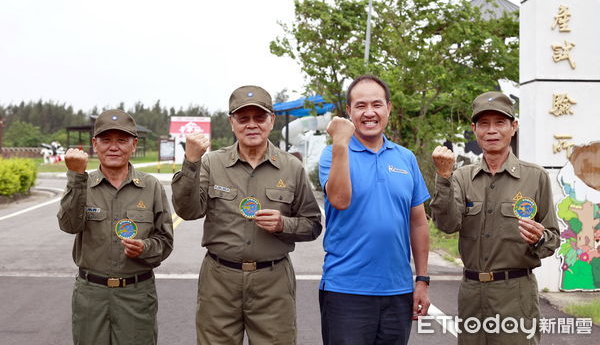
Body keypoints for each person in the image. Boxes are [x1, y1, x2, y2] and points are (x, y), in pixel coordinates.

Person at [171, 85, 322, 345]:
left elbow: (313, 225)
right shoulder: (212, 163)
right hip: (219, 279)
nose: (252, 124)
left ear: (271, 121)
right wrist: (191, 162)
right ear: (232, 123)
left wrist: (282, 224)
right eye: (243, 118)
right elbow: (188, 210)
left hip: (272, 281)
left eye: (259, 117)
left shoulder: (292, 168)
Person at [430, 91, 560, 344]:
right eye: (484, 124)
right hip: (471, 293)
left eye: (500, 123)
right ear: (474, 129)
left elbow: (552, 239)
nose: (492, 130)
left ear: (513, 127)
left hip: (516, 293)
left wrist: (539, 238)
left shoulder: (535, 177)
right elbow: (447, 225)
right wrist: (443, 177)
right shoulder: (461, 177)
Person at [318, 74, 431, 345]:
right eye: (360, 106)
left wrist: (422, 280)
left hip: (397, 291)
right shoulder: (332, 154)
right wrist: (341, 145)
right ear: (348, 112)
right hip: (346, 290)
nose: (369, 113)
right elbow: (340, 199)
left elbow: (418, 222)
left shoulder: (405, 158)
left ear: (388, 108)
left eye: (377, 105)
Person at [58, 109, 174, 345]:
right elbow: (69, 225)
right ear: (94, 144)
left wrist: (144, 248)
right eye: (105, 140)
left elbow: (165, 240)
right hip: (91, 294)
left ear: (134, 145)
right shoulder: (83, 183)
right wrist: (75, 176)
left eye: (121, 140)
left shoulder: (150, 187)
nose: (113, 147)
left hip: (136, 293)